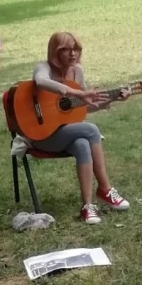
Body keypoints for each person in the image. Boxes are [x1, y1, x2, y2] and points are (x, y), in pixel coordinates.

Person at [29, 32, 131, 225]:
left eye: (75, 49)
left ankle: (87, 206)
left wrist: (112, 98)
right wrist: (79, 92)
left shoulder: (78, 72)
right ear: (54, 51)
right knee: (91, 130)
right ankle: (105, 189)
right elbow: (41, 82)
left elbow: (82, 106)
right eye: (66, 49)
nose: (72, 54)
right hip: (41, 134)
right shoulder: (43, 68)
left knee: (83, 143)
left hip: (67, 132)